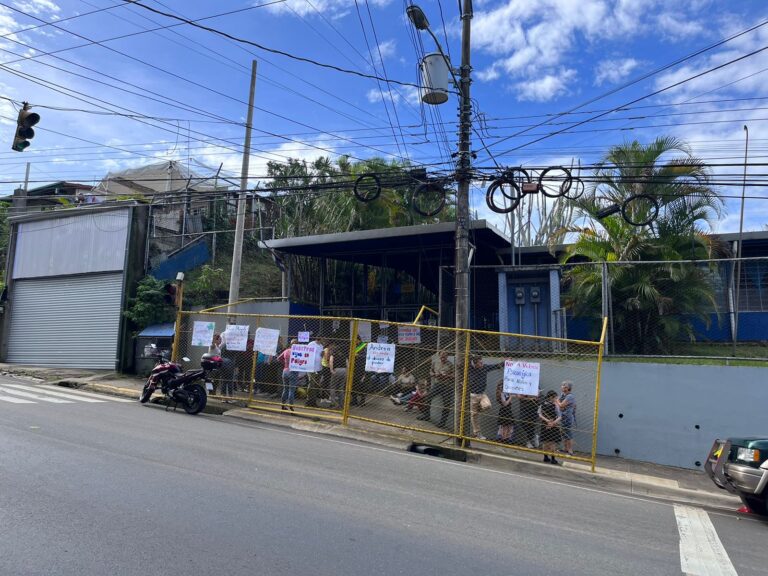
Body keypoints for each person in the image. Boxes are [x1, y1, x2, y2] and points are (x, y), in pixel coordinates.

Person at [418, 350, 453, 429]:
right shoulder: (435, 362)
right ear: (439, 356)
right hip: (438, 384)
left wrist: (446, 376)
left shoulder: (450, 364)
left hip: (447, 386)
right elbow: (431, 371)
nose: (443, 357)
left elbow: (455, 376)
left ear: (447, 356)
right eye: (442, 355)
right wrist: (434, 374)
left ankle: (442, 422)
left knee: (446, 404)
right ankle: (426, 415)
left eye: (445, 356)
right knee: (428, 397)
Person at [467, 355, 497, 440]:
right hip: (473, 395)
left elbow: (494, 366)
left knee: (487, 406)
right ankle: (477, 433)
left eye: (482, 362)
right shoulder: (470, 368)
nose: (482, 364)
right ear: (475, 364)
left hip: (482, 394)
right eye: (480, 363)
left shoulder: (484, 367)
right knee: (474, 416)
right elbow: (468, 360)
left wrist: (506, 362)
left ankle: (476, 410)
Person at [539, 390, 563, 464]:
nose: (556, 399)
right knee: (552, 442)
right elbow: (559, 416)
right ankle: (553, 458)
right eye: (555, 397)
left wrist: (547, 421)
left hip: (544, 424)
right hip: (553, 425)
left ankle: (545, 457)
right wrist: (553, 423)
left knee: (545, 441)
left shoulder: (542, 404)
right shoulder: (555, 405)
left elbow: (540, 414)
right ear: (551, 397)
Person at [209, 333, 234, 397]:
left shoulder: (219, 347)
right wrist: (214, 338)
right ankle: (211, 392)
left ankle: (213, 392)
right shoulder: (213, 346)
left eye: (221, 339)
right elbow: (212, 345)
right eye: (220, 339)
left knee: (216, 379)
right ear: (216, 340)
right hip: (213, 364)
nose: (221, 340)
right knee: (212, 379)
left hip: (218, 365)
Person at [277, 339, 299, 412]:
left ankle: (283, 405)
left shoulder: (286, 351)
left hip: (285, 371)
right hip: (293, 372)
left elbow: (278, 358)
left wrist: (284, 363)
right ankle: (291, 406)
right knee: (291, 390)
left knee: (285, 389)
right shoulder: (298, 352)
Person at [556, 380, 576, 456]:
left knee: (568, 434)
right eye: (562, 386)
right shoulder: (563, 395)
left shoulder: (570, 396)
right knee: (563, 433)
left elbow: (560, 405)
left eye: (565, 386)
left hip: (568, 418)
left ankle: (570, 450)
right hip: (562, 417)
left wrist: (557, 401)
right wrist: (559, 403)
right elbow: (559, 405)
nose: (563, 387)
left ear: (568, 388)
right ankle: (565, 449)